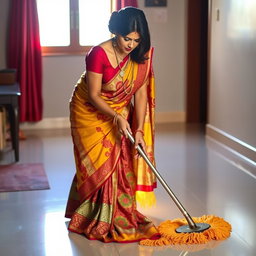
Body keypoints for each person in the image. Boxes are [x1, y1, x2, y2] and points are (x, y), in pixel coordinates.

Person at [65, 6, 159, 243]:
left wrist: (137, 128)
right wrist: (116, 117)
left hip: (119, 108)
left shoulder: (141, 54)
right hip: (89, 110)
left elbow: (140, 94)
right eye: (126, 38)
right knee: (100, 159)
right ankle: (92, 215)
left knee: (121, 156)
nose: (130, 45)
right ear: (115, 31)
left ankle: (119, 214)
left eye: (136, 40)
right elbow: (94, 95)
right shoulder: (98, 54)